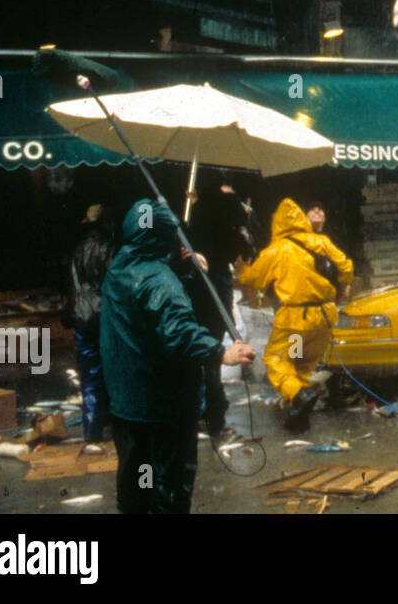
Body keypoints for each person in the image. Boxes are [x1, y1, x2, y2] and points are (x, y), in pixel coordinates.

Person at [99, 199, 255, 514]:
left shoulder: (119, 268)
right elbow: (178, 331)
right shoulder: (160, 280)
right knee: (168, 490)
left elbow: (147, 310)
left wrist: (183, 271)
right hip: (163, 408)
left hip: (128, 404)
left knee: (138, 485)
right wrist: (221, 353)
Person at [236, 198, 353, 432]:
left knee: (277, 361)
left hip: (296, 321)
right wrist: (342, 287)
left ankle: (298, 395)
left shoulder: (277, 250)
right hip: (324, 318)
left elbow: (254, 279)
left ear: (277, 223)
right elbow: (346, 267)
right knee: (301, 364)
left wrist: (241, 268)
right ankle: (298, 415)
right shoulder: (322, 242)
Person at [185, 183, 256, 441]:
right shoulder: (227, 217)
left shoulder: (193, 220)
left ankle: (203, 417)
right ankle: (215, 419)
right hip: (213, 296)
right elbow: (241, 252)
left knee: (199, 360)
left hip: (196, 297)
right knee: (210, 360)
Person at [63, 204, 115, 443]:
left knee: (90, 375)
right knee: (112, 371)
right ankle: (113, 426)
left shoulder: (76, 248)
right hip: (103, 315)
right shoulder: (107, 247)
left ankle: (91, 431)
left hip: (83, 316)